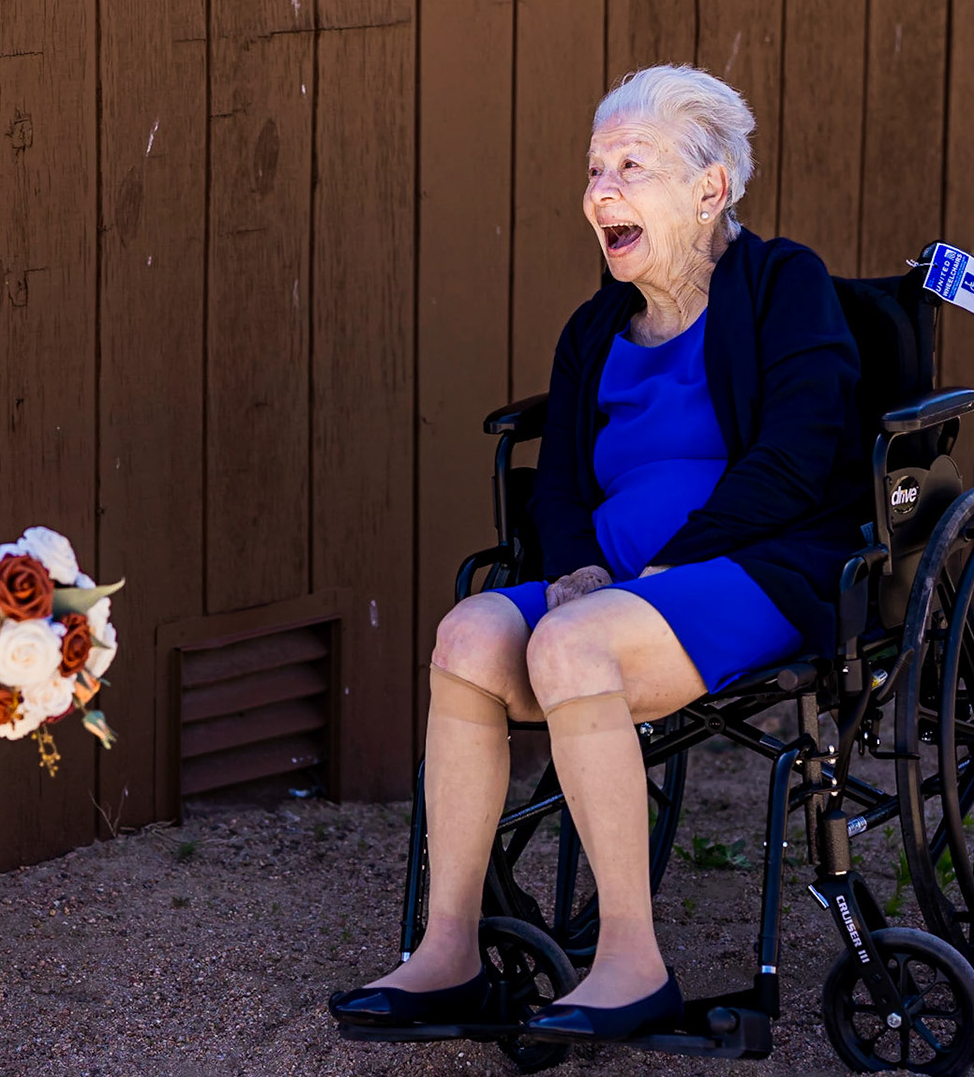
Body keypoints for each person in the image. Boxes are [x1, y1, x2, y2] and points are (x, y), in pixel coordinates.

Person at [330, 64, 868, 1042]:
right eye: (593, 169)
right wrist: (576, 568)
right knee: (467, 636)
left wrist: (670, 567)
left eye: (632, 166)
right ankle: (446, 950)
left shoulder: (784, 287)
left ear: (711, 188)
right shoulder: (594, 330)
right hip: (611, 589)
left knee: (572, 648)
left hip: (751, 569)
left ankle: (632, 961)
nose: (601, 190)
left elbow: (799, 457)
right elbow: (565, 482)